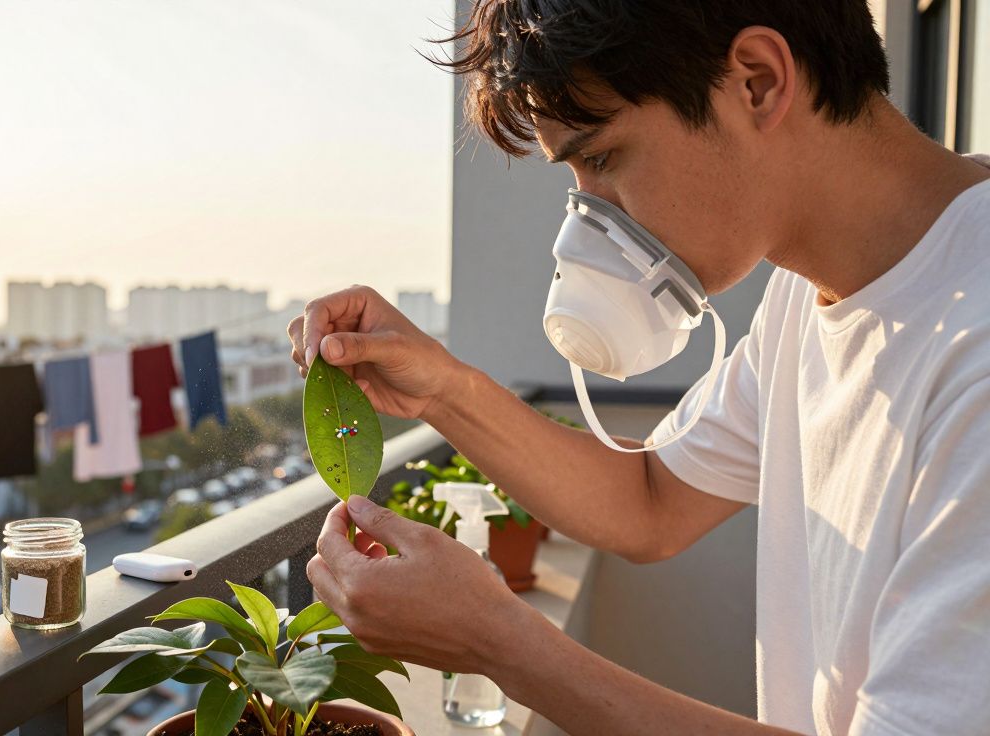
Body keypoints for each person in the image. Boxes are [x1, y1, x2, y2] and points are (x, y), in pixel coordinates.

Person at [287, 1, 990, 734]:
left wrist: (495, 641)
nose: (590, 218)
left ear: (756, 82)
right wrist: (443, 387)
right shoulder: (812, 291)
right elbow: (652, 502)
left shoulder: (976, 348)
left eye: (601, 157)